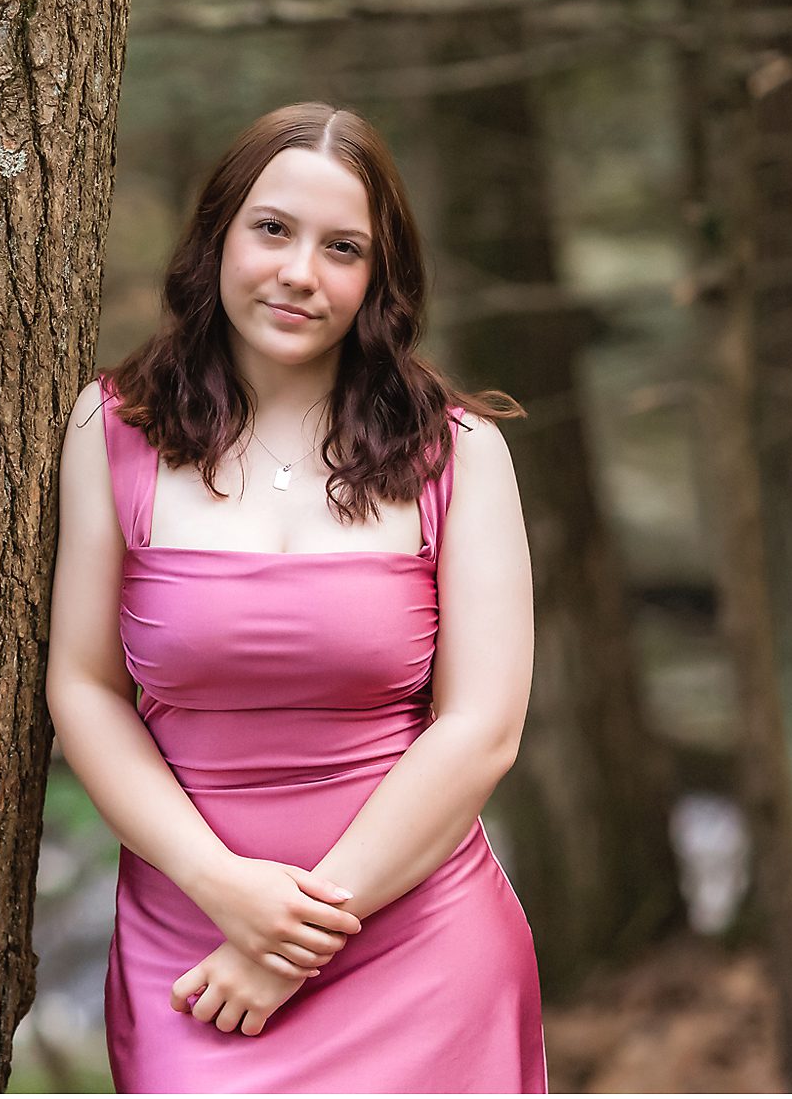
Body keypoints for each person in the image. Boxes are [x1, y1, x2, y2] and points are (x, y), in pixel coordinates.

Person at [45, 101, 548, 1092]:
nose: (298, 273)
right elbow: (84, 687)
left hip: (420, 950)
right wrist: (218, 885)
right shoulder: (111, 428)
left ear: (377, 278)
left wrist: (288, 940)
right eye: (271, 229)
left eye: (342, 247)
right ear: (216, 238)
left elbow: (480, 728)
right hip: (190, 947)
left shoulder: (458, 453)